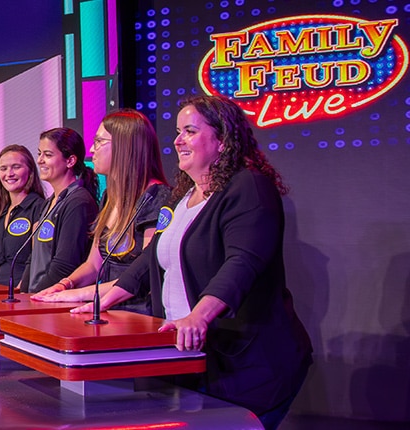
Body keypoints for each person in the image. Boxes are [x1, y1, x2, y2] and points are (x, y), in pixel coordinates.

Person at [71, 95, 312, 429]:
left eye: (189, 131)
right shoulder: (184, 196)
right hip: (197, 358)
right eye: (177, 131)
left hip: (251, 361)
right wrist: (100, 301)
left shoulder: (249, 186)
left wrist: (199, 315)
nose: (178, 140)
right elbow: (150, 260)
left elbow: (242, 263)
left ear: (223, 140)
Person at [32, 110, 171, 314]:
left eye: (98, 142)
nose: (91, 149)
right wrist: (66, 285)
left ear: (125, 147)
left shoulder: (158, 198)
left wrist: (81, 294)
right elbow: (93, 265)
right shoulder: (110, 196)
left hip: (139, 314)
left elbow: (145, 273)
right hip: (105, 309)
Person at [19, 128, 99, 293]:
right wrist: (23, 295)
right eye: (39, 153)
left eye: (48, 155)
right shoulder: (49, 202)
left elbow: (64, 266)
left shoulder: (78, 202)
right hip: (38, 299)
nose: (40, 160)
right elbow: (34, 257)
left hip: (54, 301)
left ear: (70, 161)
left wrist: (34, 298)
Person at [0, 145, 46, 287]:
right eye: (3, 168)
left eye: (16, 167)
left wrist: (20, 292)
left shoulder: (39, 207)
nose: (9, 173)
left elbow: (37, 259)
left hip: (22, 295)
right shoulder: (1, 212)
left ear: (30, 171)